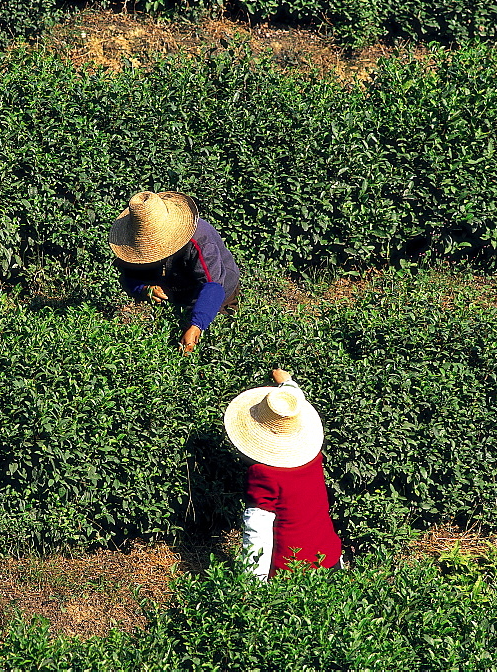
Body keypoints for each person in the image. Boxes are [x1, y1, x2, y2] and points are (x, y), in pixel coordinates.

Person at [223, 368, 343, 580]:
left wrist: (252, 588)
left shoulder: (262, 473)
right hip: (330, 559)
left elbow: (257, 534)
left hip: (293, 573)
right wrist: (287, 382)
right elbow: (291, 406)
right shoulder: (312, 455)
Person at [109, 191, 240, 354]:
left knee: (215, 346)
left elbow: (213, 286)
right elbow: (128, 277)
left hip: (217, 294)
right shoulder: (132, 243)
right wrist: (144, 289)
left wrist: (196, 325)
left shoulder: (200, 240)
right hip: (177, 293)